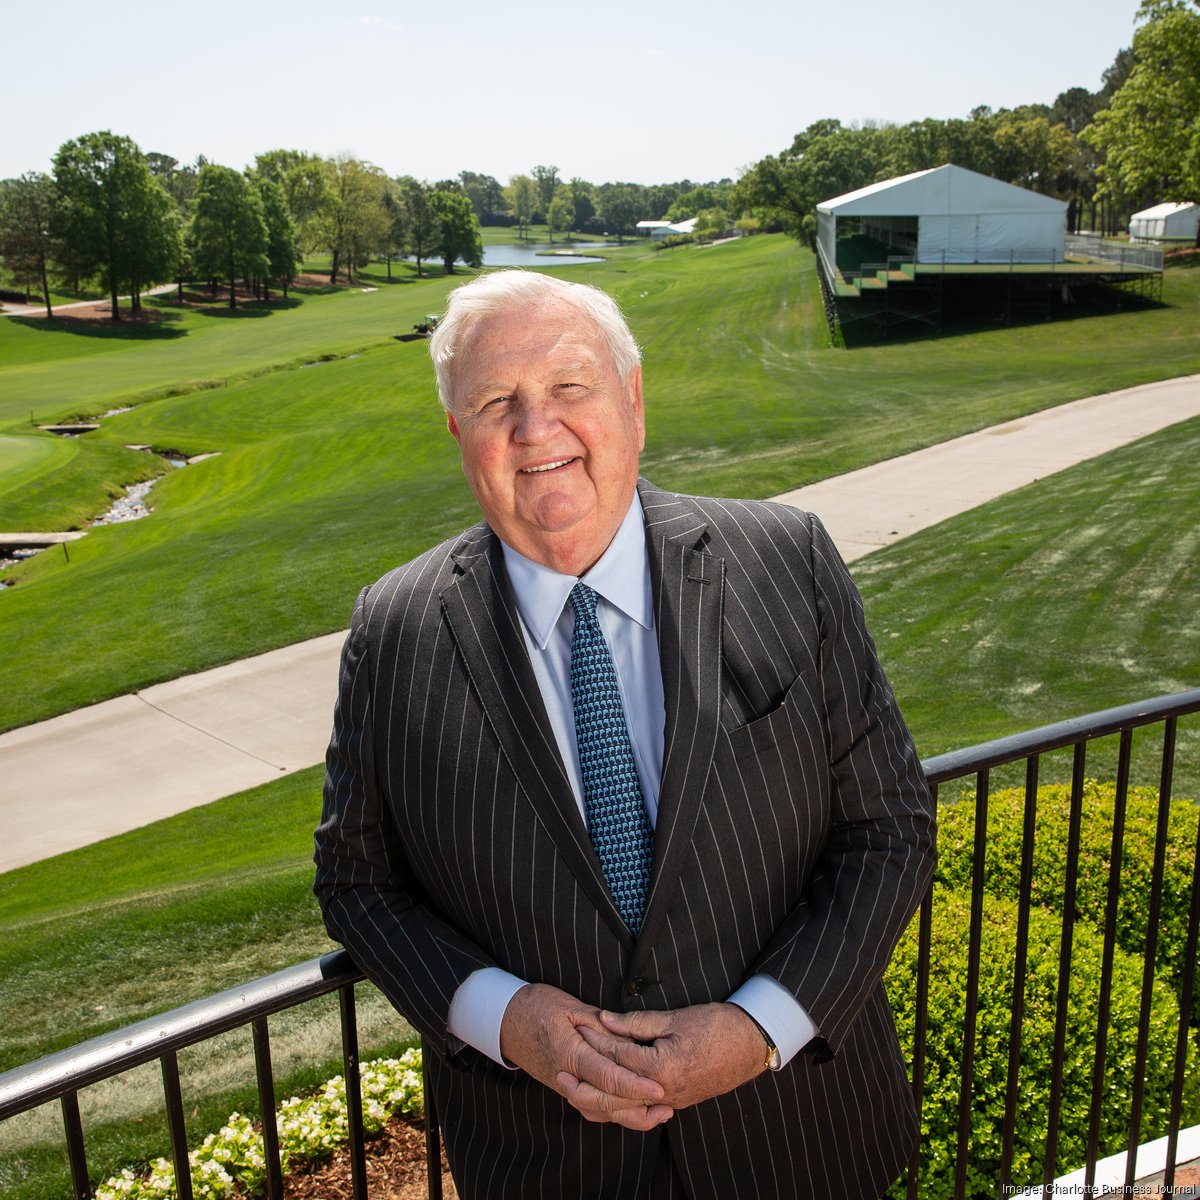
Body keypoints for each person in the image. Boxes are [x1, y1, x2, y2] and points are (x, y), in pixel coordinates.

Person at [314, 269, 936, 1200]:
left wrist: (757, 1028)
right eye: (496, 403)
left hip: (803, 1141)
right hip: (547, 1164)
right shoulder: (392, 632)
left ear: (633, 399)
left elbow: (889, 829)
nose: (537, 431)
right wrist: (505, 1017)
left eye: (570, 388)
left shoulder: (786, 561)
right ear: (458, 434)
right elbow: (359, 883)